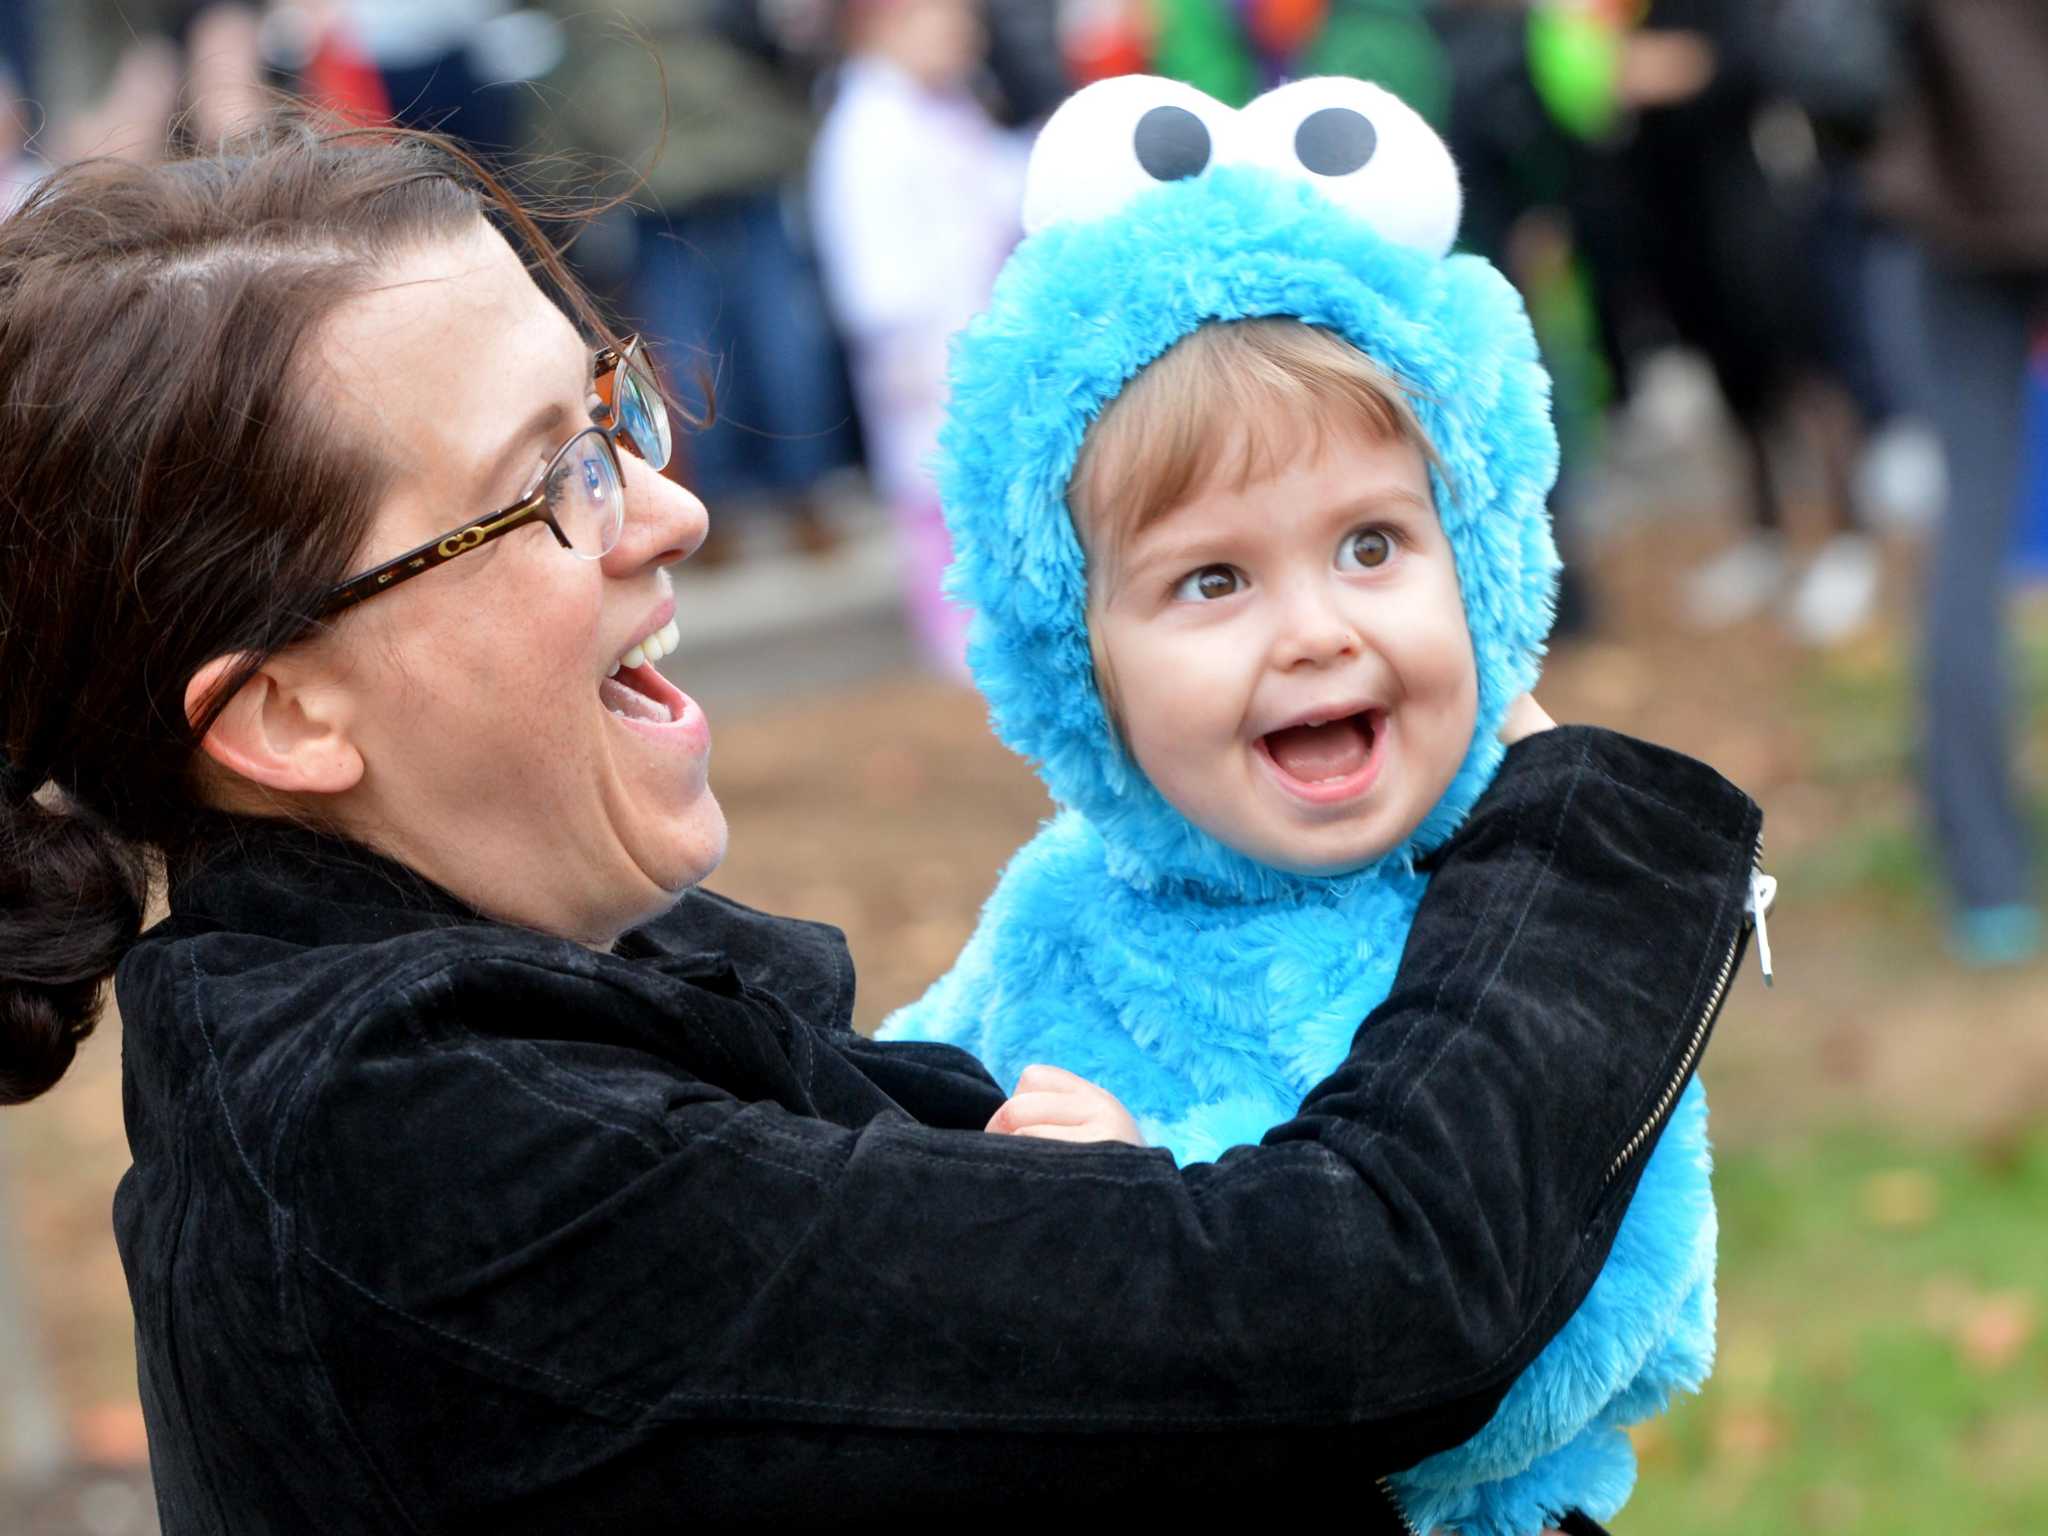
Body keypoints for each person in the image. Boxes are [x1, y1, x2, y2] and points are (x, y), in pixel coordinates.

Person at [0, 115, 1763, 1530]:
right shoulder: (419, 1155)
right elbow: (1348, 1305)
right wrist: (1560, 817)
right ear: (286, 715)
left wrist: (1046, 1216)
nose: (671, 509)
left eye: (611, 412)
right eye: (543, 486)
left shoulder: (505, 1003)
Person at [880, 76, 1760, 1534]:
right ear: (1076, 656)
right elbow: (888, 1136)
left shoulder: (1522, 916)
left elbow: (1599, 1323)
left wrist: (1143, 1233)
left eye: (1371, 546)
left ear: (1476, 565)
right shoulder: (1059, 908)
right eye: (1213, 581)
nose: (1313, 632)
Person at [1867, 0, 2046, 966]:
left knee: (1968, 536)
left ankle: (1987, 873)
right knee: (1969, 537)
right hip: (1962, 194)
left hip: (1956, 189)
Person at [809, 0, 1028, 677]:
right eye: (947, 16)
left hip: (976, 336)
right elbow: (872, 274)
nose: (968, 31)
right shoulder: (868, 130)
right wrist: (912, 353)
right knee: (938, 498)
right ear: (884, 23)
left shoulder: (945, 108)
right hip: (925, 357)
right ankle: (961, 655)